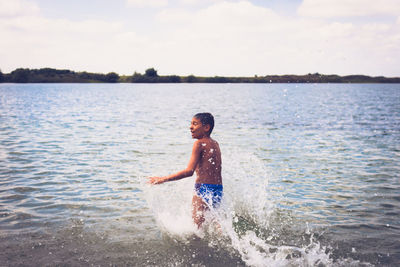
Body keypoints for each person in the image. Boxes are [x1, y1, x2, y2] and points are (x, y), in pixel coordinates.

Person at [147, 113, 223, 228]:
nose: (190, 127)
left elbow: (189, 171)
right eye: (191, 123)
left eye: (195, 124)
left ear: (206, 127)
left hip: (203, 189)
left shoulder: (199, 143)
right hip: (217, 190)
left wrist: (162, 179)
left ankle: (196, 245)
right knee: (212, 224)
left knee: (196, 227)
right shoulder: (215, 143)